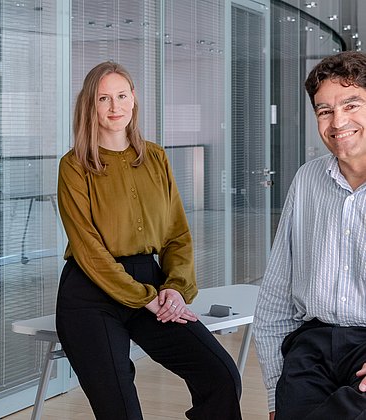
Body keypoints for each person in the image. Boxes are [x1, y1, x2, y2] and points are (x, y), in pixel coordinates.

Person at [55, 61, 242, 420]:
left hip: (152, 283)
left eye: (122, 96)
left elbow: (176, 233)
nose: (115, 107)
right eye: (104, 98)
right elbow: (89, 252)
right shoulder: (74, 165)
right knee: (120, 408)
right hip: (90, 293)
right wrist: (147, 299)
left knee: (220, 375)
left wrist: (175, 288)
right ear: (89, 105)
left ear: (134, 98)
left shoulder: (155, 156)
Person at [254, 51, 366, 420]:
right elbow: (276, 293)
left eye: (352, 105)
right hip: (311, 345)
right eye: (324, 111)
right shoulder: (307, 179)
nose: (338, 122)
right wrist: (274, 392)